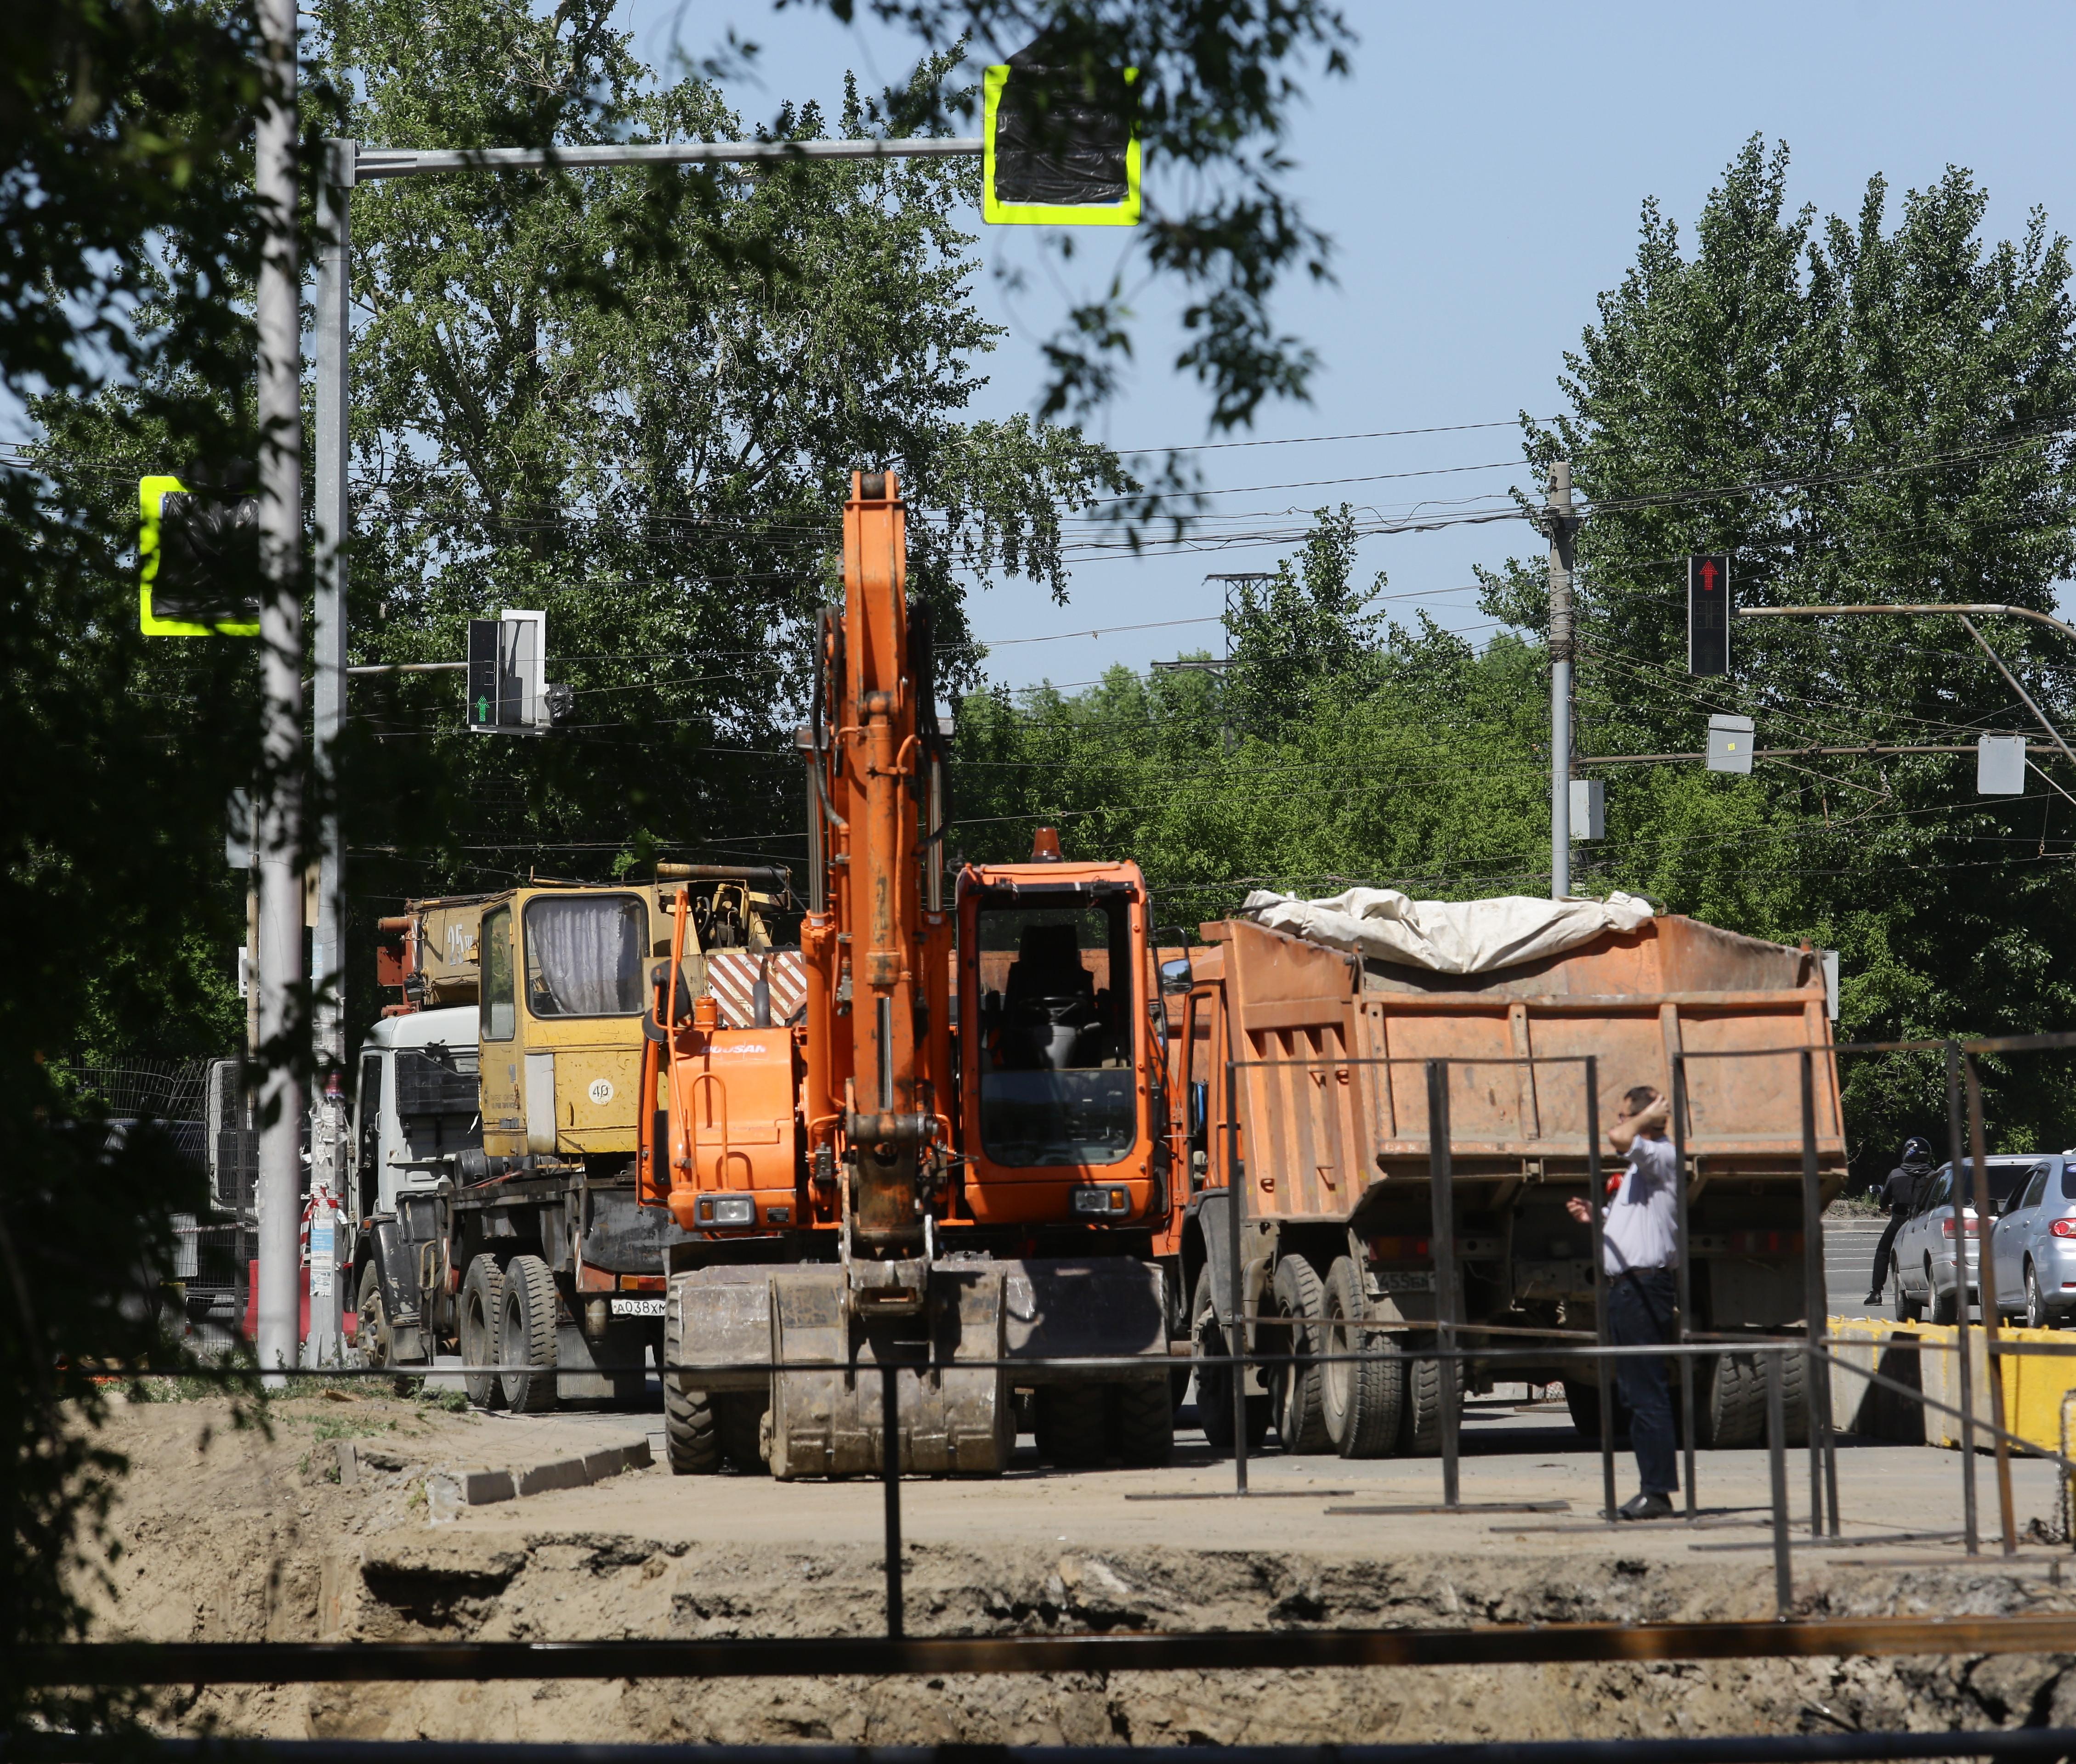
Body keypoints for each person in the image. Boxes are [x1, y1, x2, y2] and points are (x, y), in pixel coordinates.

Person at [1567, 1084, 1680, 1521]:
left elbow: (1619, 1139)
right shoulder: (1640, 1169)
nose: (1617, 1124)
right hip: (1628, 1287)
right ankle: (1652, 1490)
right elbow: (1635, 1220)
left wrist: (1645, 1115)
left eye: (1623, 1115)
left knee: (1646, 1393)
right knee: (1634, 1392)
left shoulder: (1662, 1156)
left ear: (1646, 1119)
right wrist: (1597, 1217)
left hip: (1643, 1286)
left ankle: (1657, 1493)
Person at [1865, 1137, 1934, 1306]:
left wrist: (1884, 1207)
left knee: (1883, 1252)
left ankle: (1876, 1293)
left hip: (1900, 1221)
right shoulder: (1934, 1176)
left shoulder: (1896, 1175)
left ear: (1907, 1153)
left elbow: (1883, 1201)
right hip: (1925, 1223)